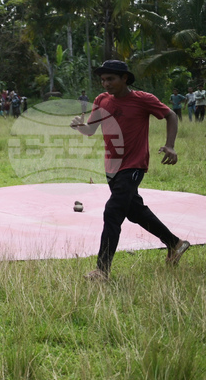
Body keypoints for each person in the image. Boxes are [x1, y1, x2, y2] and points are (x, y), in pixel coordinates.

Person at [70, 60, 190, 282]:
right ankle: (175, 244)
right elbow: (91, 130)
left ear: (125, 78)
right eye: (103, 80)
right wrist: (79, 126)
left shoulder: (143, 100)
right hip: (112, 168)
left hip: (134, 165)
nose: (106, 84)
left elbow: (170, 115)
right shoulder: (101, 100)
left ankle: (101, 270)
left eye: (111, 79)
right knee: (134, 211)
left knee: (112, 211)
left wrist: (170, 145)